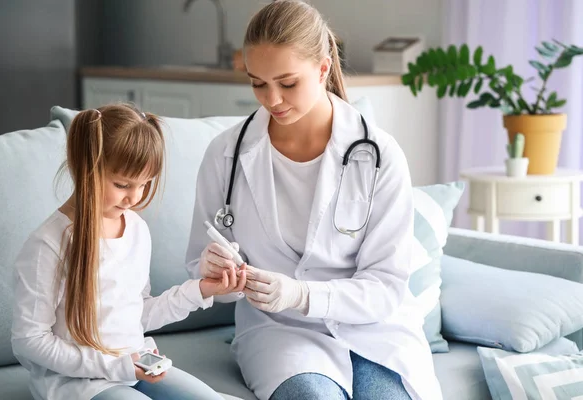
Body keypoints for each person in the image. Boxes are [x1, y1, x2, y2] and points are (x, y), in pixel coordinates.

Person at [185, 1, 443, 399]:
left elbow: (385, 285)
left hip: (373, 328)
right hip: (282, 332)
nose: (272, 99)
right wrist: (214, 272)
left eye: (287, 83)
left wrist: (304, 294)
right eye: (258, 83)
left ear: (323, 69)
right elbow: (200, 262)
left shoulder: (379, 155)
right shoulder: (226, 155)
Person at [11, 104, 244, 400]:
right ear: (86, 169)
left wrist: (200, 290)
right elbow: (29, 341)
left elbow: (136, 314)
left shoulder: (135, 228)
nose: (135, 197)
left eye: (144, 184)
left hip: (133, 365)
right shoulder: (48, 244)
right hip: (79, 383)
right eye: (122, 184)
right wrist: (116, 366)